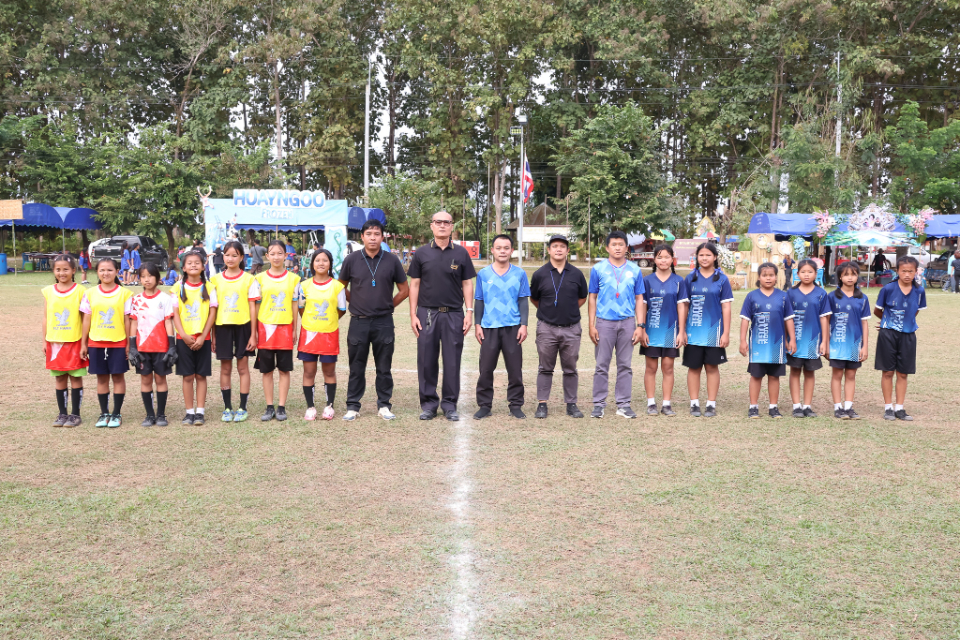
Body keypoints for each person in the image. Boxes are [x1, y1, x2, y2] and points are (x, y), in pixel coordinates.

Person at [408, 211, 477, 421]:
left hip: (453, 314)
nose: (442, 225)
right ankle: (429, 405)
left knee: (452, 361)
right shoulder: (421, 253)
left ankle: (449, 404)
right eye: (438, 222)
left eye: (446, 222)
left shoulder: (461, 253)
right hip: (427, 313)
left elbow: (467, 283)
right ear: (432, 225)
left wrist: (469, 312)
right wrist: (413, 314)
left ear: (452, 226)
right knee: (426, 360)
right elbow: (414, 284)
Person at [338, 219, 409, 421]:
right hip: (358, 321)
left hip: (383, 322)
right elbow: (340, 286)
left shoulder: (392, 260)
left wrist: (388, 305)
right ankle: (353, 406)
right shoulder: (351, 260)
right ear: (362, 237)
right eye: (368, 234)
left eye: (377, 234)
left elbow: (404, 290)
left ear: (382, 237)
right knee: (356, 367)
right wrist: (356, 301)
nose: (372, 238)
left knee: (384, 367)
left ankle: (384, 405)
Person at [587, 230, 645, 419]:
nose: (618, 248)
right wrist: (591, 325)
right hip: (604, 323)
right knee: (601, 365)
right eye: (614, 244)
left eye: (621, 244)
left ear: (626, 247)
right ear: (607, 248)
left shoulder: (635, 270)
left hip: (627, 323)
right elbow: (592, 297)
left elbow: (639, 298)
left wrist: (640, 326)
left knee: (625, 366)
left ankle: (623, 404)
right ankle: (598, 404)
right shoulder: (598, 269)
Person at [529, 234, 588, 419]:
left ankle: (571, 404)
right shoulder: (540, 274)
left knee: (570, 368)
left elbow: (582, 297)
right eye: (554, 246)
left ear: (568, 250)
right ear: (549, 250)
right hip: (546, 328)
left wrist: (568, 310)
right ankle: (542, 404)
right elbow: (534, 298)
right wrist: (548, 311)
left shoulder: (576, 274)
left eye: (562, 246)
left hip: (571, 328)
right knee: (545, 368)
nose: (558, 249)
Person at [473, 234, 530, 419]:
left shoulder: (519, 273)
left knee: (515, 370)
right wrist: (477, 324)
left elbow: (523, 300)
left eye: (506, 248)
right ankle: (484, 405)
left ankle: (515, 405)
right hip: (489, 327)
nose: (502, 251)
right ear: (492, 250)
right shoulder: (483, 274)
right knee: (486, 369)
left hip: (513, 327)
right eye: (498, 248)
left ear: (511, 250)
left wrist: (524, 324)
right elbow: (479, 300)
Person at [211, 240, 261, 422]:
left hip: (243, 328)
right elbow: (213, 310)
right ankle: (227, 408)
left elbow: (253, 308)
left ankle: (242, 407)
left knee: (242, 368)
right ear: (222, 257)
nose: (230, 258)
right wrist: (213, 336)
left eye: (234, 255)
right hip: (222, 328)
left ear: (241, 257)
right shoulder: (215, 280)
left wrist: (253, 334)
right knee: (225, 368)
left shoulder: (249, 279)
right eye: (227, 255)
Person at [739, 262, 796, 419]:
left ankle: (773, 407)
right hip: (758, 345)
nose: (768, 278)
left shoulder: (783, 296)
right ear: (759, 277)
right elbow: (745, 320)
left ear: (776, 277)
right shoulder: (751, 296)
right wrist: (742, 340)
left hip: (777, 345)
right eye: (765, 275)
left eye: (771, 275)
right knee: (756, 376)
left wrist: (792, 339)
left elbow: (789, 319)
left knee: (774, 376)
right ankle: (753, 407)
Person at [81, 258, 133, 428]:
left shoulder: (125, 294)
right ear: (97, 272)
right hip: (96, 342)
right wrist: (84, 343)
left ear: (117, 271)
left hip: (118, 342)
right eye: (102, 270)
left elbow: (127, 320)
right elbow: (86, 320)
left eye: (110, 270)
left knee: (118, 377)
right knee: (101, 378)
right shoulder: (89, 293)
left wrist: (128, 344)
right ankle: (104, 413)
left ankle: (116, 413)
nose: (106, 273)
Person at [683, 242, 733, 417]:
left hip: (714, 333)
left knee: (712, 367)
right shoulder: (690, 278)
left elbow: (726, 307)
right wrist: (682, 331)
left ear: (715, 257)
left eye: (708, 255)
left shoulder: (722, 279)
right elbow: (684, 306)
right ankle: (694, 403)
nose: (704, 258)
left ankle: (711, 404)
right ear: (697, 257)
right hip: (693, 333)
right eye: (701, 255)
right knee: (693, 368)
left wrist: (725, 333)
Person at [874, 256, 926, 421]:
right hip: (888, 334)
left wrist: (904, 321)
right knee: (888, 371)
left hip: (908, 335)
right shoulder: (888, 289)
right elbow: (877, 310)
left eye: (911, 271)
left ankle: (900, 408)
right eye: (903, 271)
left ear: (916, 272)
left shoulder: (919, 291)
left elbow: (916, 310)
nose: (907, 274)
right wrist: (887, 321)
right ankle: (888, 407)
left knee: (903, 373)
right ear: (897, 271)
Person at [297, 249, 347, 420]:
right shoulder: (304, 285)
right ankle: (310, 407)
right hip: (309, 334)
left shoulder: (337, 286)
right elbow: (301, 308)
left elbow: (341, 309)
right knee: (309, 372)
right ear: (312, 264)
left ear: (330, 264)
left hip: (329, 334)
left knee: (329, 371)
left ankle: (329, 406)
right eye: (317, 260)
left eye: (325, 260)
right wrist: (312, 322)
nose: (321, 263)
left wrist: (328, 321)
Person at [254, 240, 300, 422]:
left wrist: (294, 328)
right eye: (272, 253)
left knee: (284, 370)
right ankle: (269, 406)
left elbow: (295, 305)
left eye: (280, 253)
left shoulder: (294, 279)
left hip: (285, 329)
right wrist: (255, 331)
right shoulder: (259, 279)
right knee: (266, 371)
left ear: (286, 255)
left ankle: (281, 407)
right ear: (267, 256)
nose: (276, 257)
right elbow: (256, 306)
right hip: (265, 329)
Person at [639, 244, 688, 416]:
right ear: (654, 259)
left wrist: (681, 331)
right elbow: (642, 306)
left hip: (670, 332)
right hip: (651, 332)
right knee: (651, 368)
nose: (663, 260)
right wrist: (642, 329)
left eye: (667, 257)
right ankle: (651, 403)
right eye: (659, 257)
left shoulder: (679, 281)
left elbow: (682, 307)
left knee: (668, 367)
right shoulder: (647, 281)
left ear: (672, 259)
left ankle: (666, 404)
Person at [128, 263, 178, 426]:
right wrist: (132, 347)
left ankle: (161, 415)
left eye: (150, 276)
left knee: (161, 379)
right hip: (142, 348)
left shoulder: (165, 298)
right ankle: (150, 415)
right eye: (143, 276)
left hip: (161, 347)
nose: (147, 279)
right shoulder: (136, 300)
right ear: (139, 279)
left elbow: (168, 322)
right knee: (145, 380)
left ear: (157, 278)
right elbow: (133, 323)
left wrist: (172, 346)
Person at [171, 251, 217, 425]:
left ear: (203, 266)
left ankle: (200, 412)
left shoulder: (210, 287)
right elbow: (175, 314)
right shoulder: (177, 287)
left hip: (203, 339)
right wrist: (183, 335)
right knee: (188, 376)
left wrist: (204, 336)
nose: (193, 265)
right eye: (189, 263)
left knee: (201, 376)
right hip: (183, 339)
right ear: (183, 268)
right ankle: (189, 412)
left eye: (197, 262)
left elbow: (212, 313)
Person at [42, 254, 88, 427]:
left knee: (75, 378)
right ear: (53, 271)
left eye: (66, 269)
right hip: (55, 342)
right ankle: (62, 414)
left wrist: (84, 343)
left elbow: (85, 319)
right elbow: (46, 318)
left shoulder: (81, 291)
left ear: (73, 270)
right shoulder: (48, 291)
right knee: (60, 378)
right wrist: (44, 340)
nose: (62, 273)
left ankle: (75, 415)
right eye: (58, 269)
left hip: (75, 341)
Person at [786, 259, 831, 418]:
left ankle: (807, 406)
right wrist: (788, 340)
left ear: (816, 274)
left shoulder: (821, 293)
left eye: (810, 272)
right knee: (795, 371)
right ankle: (796, 406)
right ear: (797, 274)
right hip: (795, 341)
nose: (806, 275)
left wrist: (824, 341)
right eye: (803, 272)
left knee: (810, 372)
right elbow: (786, 318)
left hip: (813, 342)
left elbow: (824, 319)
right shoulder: (790, 293)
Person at [827, 262, 871, 420]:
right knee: (837, 374)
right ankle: (837, 407)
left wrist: (865, 346)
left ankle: (848, 407)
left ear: (858, 276)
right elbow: (825, 321)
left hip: (854, 345)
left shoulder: (862, 298)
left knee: (851, 375)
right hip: (836, 344)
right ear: (840, 277)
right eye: (846, 274)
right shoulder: (832, 297)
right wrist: (826, 343)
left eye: (853, 274)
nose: (850, 277)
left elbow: (865, 324)